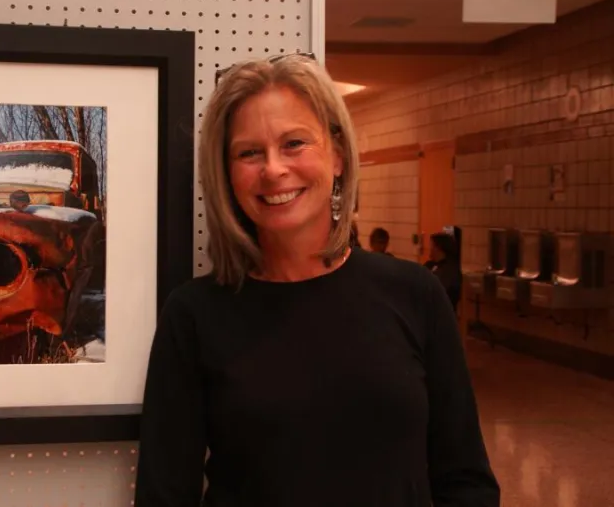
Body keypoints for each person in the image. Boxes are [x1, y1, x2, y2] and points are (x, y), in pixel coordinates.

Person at [134, 53, 499, 506]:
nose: (272, 169)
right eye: (249, 152)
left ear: (339, 156)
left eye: (294, 143)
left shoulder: (414, 293)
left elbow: (466, 480)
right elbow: (164, 496)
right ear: (227, 175)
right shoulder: (194, 315)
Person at [425, 232, 463, 312]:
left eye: (431, 245)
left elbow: (441, 291)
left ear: (438, 248)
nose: (429, 248)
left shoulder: (450, 270)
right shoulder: (429, 265)